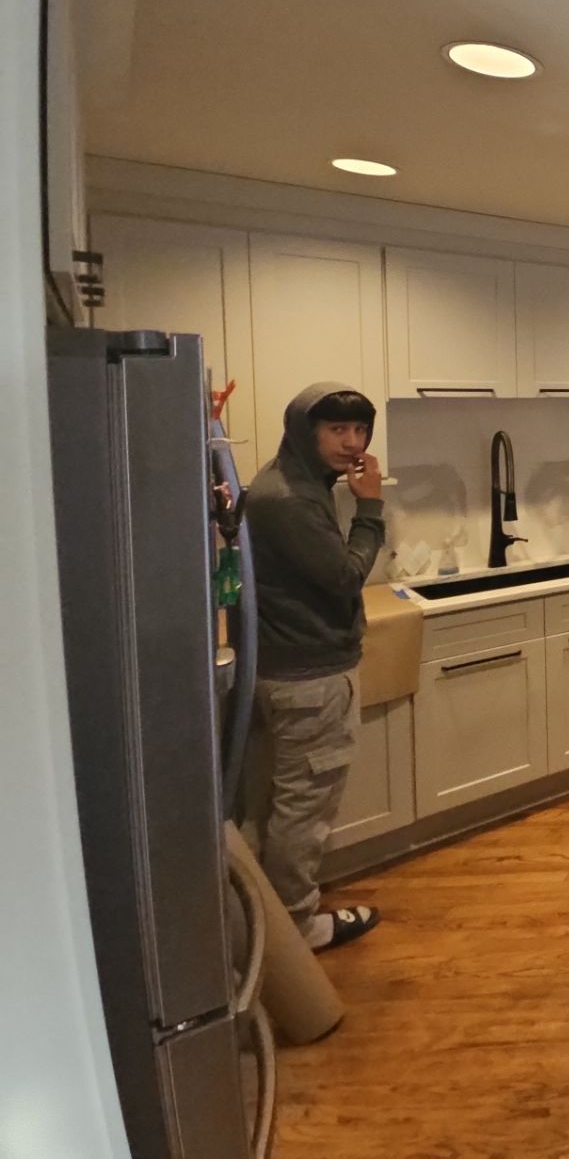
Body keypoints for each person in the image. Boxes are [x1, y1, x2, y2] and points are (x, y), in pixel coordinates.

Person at [247, 383, 386, 951]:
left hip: (285, 667)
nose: (352, 442)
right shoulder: (291, 499)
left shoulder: (292, 481)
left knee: (281, 805)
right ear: (306, 432)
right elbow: (344, 577)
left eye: (360, 430)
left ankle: (264, 924)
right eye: (337, 430)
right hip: (309, 678)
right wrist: (370, 508)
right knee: (304, 809)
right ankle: (299, 927)